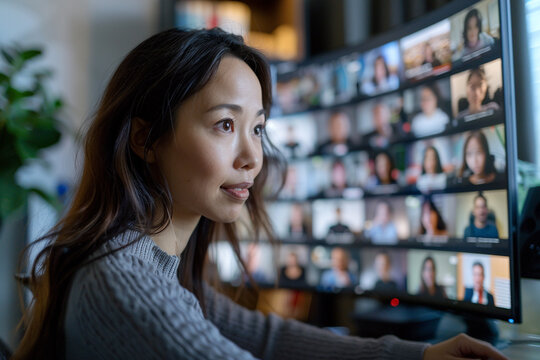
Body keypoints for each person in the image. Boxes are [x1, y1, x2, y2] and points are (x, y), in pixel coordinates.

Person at [13, 28, 507, 360]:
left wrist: (418, 355)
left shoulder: (150, 267)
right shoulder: (126, 287)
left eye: (259, 128)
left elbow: (267, 338)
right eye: (225, 124)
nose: (253, 157)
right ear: (144, 139)